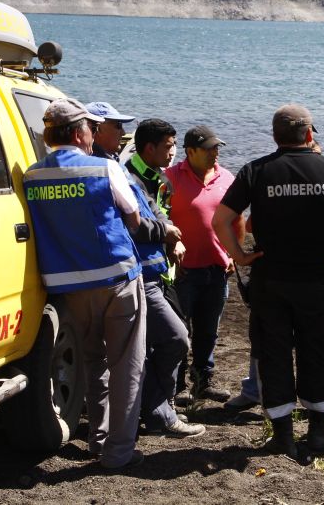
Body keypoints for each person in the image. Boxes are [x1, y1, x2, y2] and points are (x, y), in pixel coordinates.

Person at [212, 104, 324, 459]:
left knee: (273, 355)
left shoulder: (255, 171)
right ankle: (318, 433)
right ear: (308, 134)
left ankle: (283, 436)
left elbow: (221, 220)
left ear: (275, 136)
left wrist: (239, 255)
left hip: (270, 279)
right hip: (317, 279)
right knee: (316, 351)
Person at [22, 98, 145, 469]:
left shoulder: (31, 176)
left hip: (68, 288)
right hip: (115, 277)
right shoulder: (103, 168)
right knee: (127, 365)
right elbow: (134, 217)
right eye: (91, 128)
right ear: (79, 133)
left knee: (93, 361)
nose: (93, 134)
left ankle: (98, 438)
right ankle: (118, 452)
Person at [225, 142, 324, 412]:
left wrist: (320, 229)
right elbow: (250, 224)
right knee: (268, 339)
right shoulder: (272, 175)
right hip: (277, 277)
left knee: (317, 342)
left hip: (311, 275)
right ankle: (255, 390)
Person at [123, 119, 204, 438]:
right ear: (149, 148)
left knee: (158, 343)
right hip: (140, 274)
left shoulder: (151, 176)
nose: (174, 152)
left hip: (158, 272)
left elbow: (158, 213)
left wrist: (172, 236)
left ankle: (158, 408)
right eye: (169, 146)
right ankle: (158, 410)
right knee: (176, 338)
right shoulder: (129, 177)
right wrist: (165, 233)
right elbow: (135, 222)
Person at [165, 125, 243, 404]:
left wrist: (233, 255)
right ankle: (177, 385)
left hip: (216, 269)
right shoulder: (170, 178)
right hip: (183, 270)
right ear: (190, 151)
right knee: (179, 331)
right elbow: (160, 219)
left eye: (217, 148)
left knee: (209, 331)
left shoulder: (226, 177)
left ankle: (203, 381)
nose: (215, 153)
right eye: (209, 148)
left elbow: (237, 221)